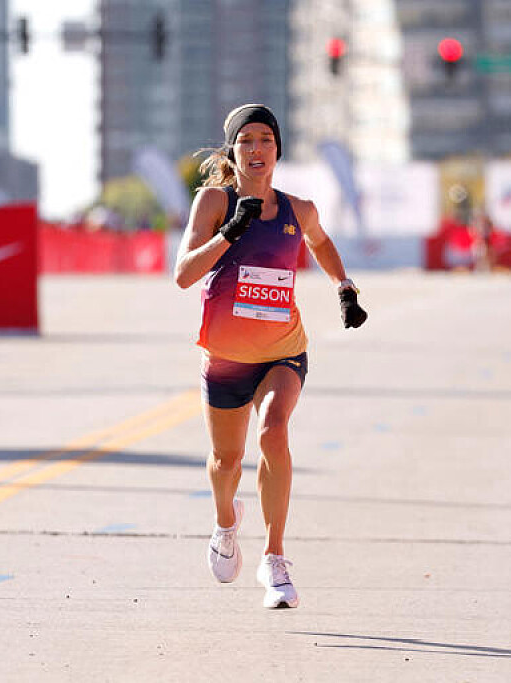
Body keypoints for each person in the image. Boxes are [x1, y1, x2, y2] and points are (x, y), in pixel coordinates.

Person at [174, 104, 368, 609]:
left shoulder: (298, 209)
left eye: (266, 139)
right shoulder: (214, 201)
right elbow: (183, 274)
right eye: (246, 141)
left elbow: (320, 243)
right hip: (225, 357)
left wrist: (344, 287)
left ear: (278, 150)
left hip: (283, 350)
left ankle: (275, 558)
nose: (256, 149)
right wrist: (229, 232)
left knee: (274, 431)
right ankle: (225, 523)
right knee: (226, 462)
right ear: (232, 151)